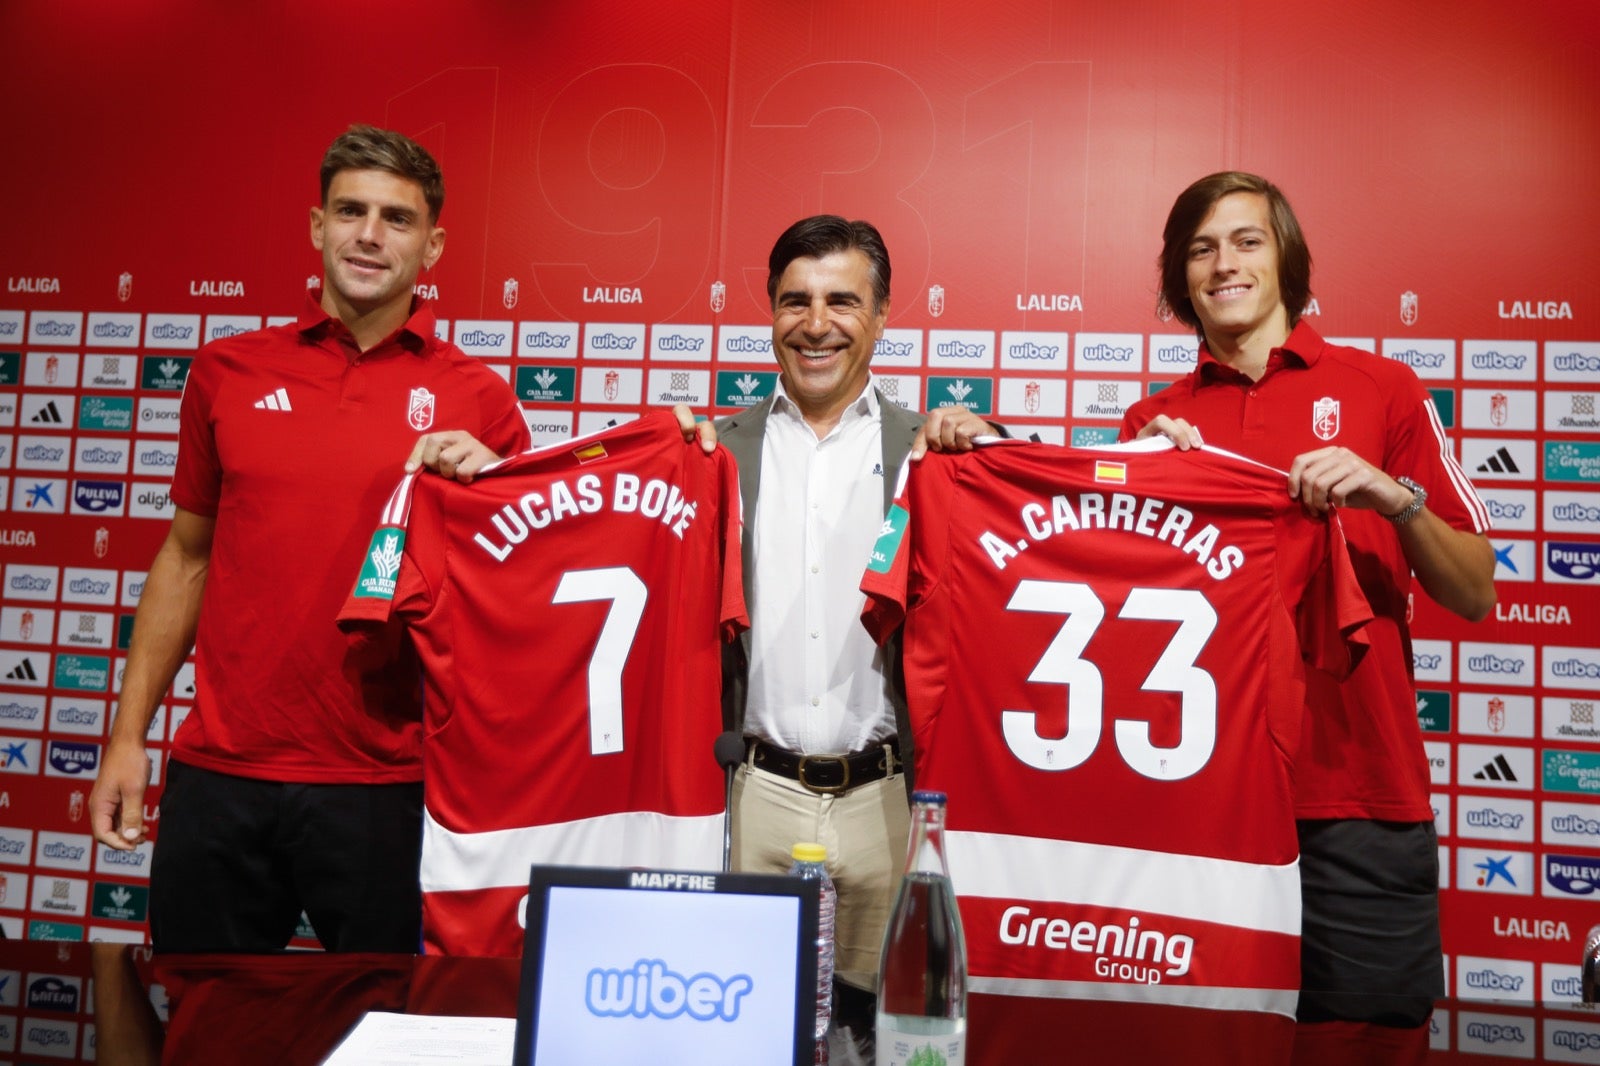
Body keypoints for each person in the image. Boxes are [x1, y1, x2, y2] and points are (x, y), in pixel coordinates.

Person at [87, 124, 531, 954]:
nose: (370, 235)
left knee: (385, 1017)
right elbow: (186, 557)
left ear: (432, 246)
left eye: (397, 219)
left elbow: (511, 605)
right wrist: (126, 737)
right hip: (221, 776)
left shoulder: (480, 399)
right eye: (351, 211)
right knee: (204, 1015)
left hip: (389, 784)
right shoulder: (226, 371)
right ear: (317, 226)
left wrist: (493, 485)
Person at [1121, 172, 1494, 1063]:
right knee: (1198, 1045)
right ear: (1180, 278)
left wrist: (1395, 499)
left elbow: (1476, 590)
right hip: (1200, 800)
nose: (1224, 264)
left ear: (1286, 257)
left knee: (1363, 1045)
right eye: (1201, 249)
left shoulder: (1384, 389)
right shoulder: (1154, 422)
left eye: (1246, 241)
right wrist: (1141, 476)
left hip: (1356, 794)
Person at [683, 214, 998, 1054]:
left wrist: (1002, 444)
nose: (816, 324)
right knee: (742, 1034)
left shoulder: (936, 454)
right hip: (750, 799)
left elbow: (1052, 519)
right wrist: (479, 473)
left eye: (842, 301)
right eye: (796, 301)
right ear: (771, 312)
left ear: (883, 315)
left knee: (884, 1040)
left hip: (887, 801)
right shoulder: (711, 453)